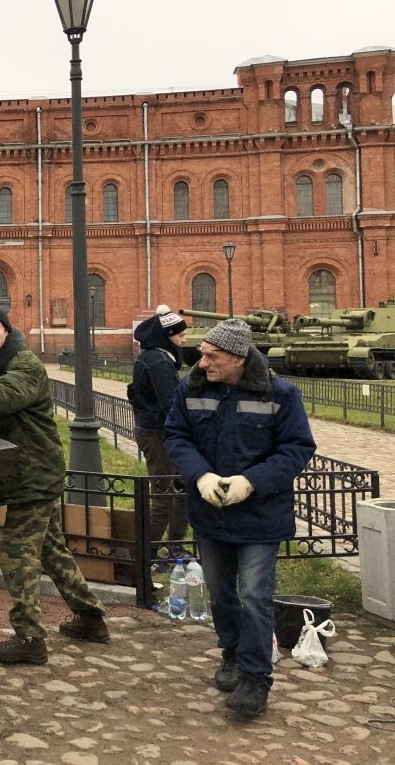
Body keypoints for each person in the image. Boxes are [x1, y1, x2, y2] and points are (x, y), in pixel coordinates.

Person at [163, 317, 315, 719]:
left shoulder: (280, 394)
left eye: (212, 356)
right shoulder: (191, 387)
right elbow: (176, 435)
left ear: (238, 358)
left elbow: (297, 448)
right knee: (221, 591)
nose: (203, 362)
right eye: (202, 354)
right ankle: (231, 651)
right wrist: (201, 475)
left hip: (260, 514)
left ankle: (255, 677)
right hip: (210, 513)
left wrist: (251, 481)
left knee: (253, 593)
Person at [0, 307, 110, 665]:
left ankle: (30, 637)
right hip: (25, 471)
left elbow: (5, 396)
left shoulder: (24, 365)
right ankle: (90, 618)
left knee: (14, 553)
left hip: (33, 473)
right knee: (51, 551)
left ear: (9, 331)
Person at [129, 304, 189, 556]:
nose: (184, 339)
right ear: (167, 337)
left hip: (157, 432)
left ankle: (174, 546)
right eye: (180, 334)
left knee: (180, 491)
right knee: (164, 497)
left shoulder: (157, 358)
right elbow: (170, 402)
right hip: (158, 435)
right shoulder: (158, 362)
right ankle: (148, 553)